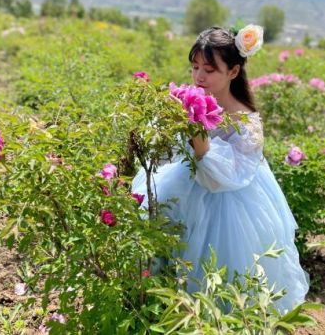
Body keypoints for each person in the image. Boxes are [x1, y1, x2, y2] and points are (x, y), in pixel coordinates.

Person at [131, 25, 309, 315]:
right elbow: (165, 154)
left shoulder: (247, 124)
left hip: (231, 202)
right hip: (181, 184)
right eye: (195, 67)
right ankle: (153, 305)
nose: (199, 76)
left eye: (210, 70)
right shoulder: (189, 99)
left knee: (218, 271)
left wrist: (195, 129)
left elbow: (222, 178)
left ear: (233, 72)